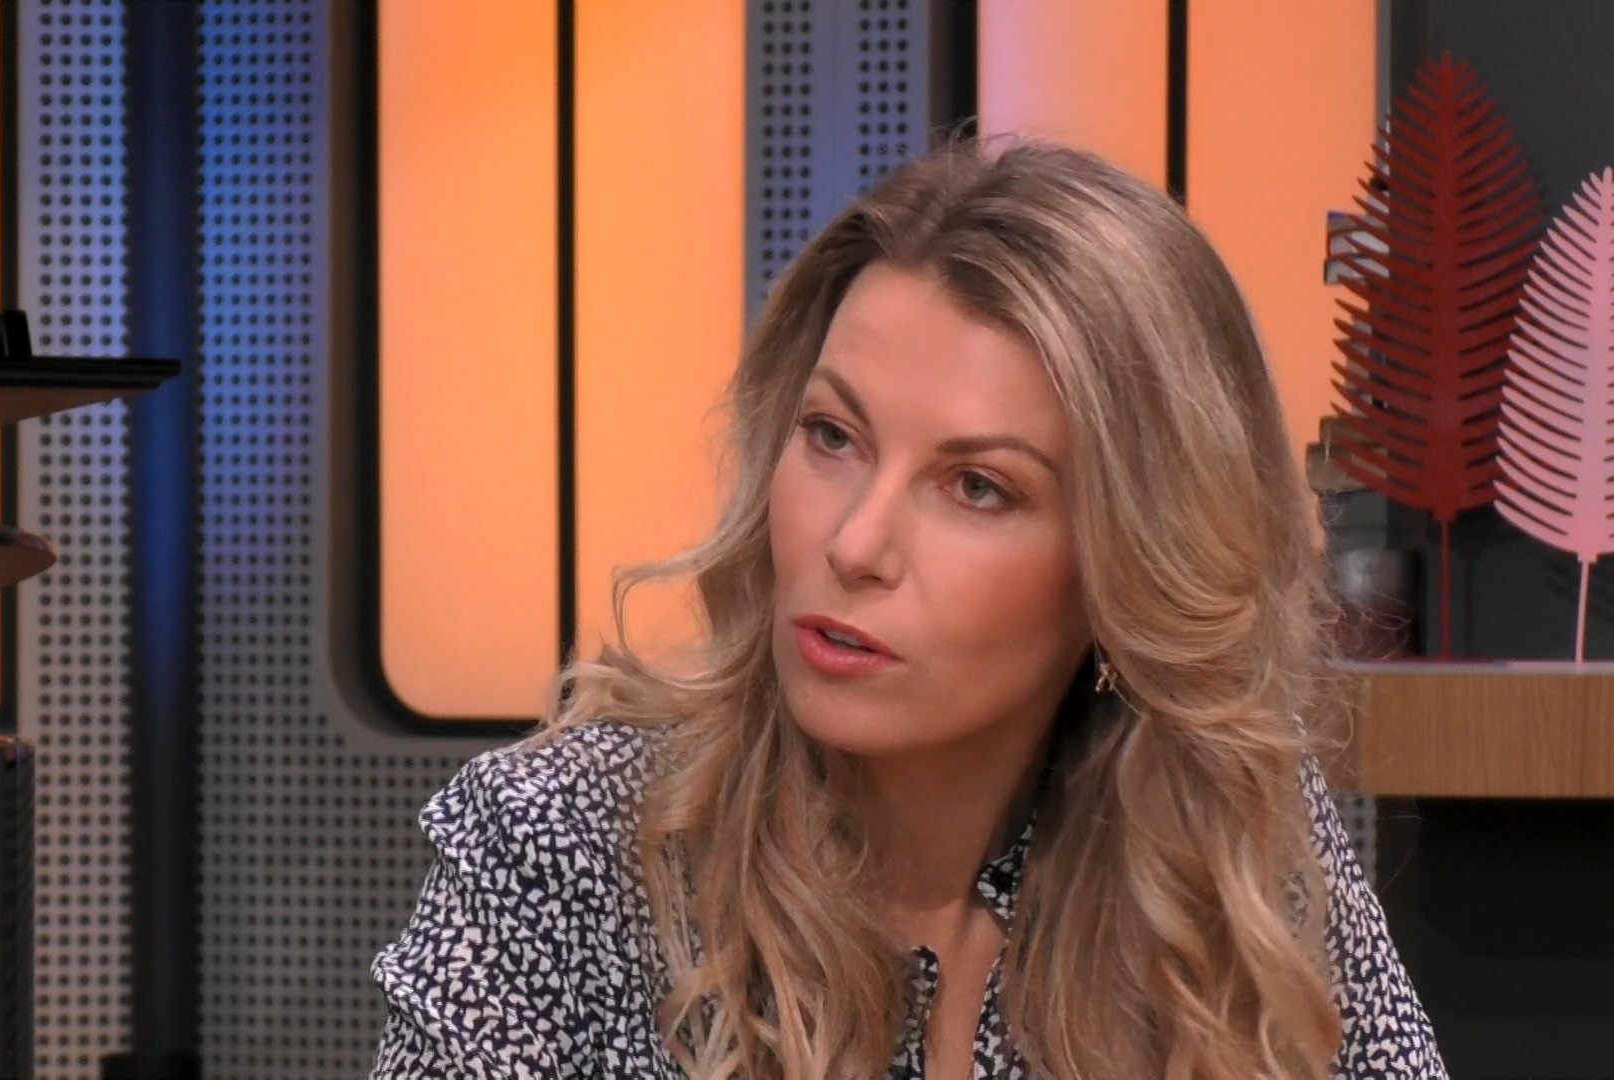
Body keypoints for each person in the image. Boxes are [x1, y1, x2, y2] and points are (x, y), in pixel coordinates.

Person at [368, 136, 1446, 1079]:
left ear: (1128, 564)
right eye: (832, 436)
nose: (854, 545)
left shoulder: (1221, 846)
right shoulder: (562, 843)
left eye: (977, 487)